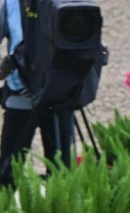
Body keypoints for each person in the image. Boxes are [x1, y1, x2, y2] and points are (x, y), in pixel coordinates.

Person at [0, 0, 75, 187]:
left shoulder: (68, 4)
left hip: (59, 95)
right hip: (21, 92)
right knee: (8, 171)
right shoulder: (11, 5)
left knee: (61, 172)